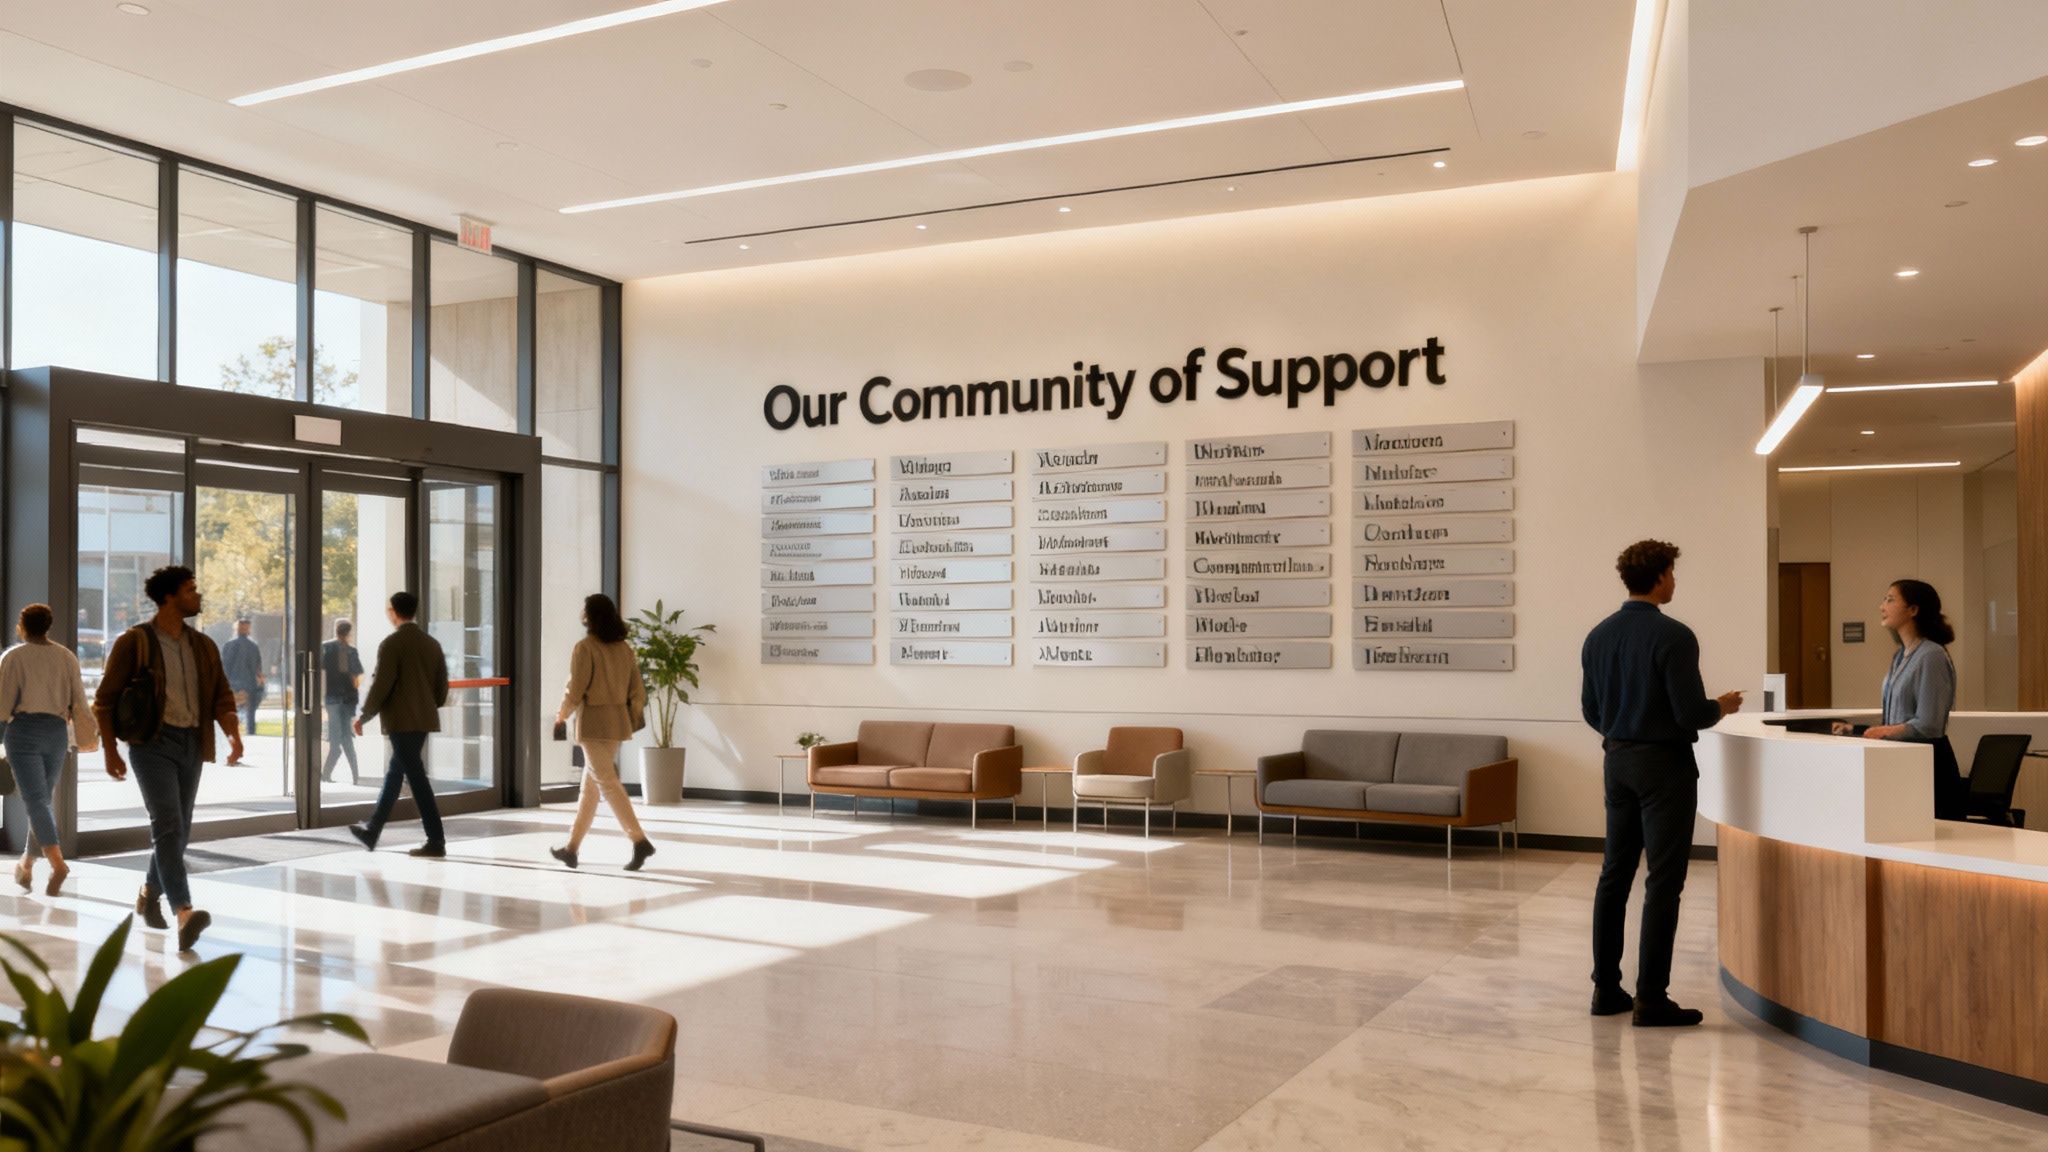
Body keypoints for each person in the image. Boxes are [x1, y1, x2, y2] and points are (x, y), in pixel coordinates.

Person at [1580, 540, 1743, 1028]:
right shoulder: (1674, 635)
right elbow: (1691, 712)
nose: (1675, 581)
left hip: (1617, 761)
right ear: (1660, 576)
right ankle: (1652, 997)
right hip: (1664, 768)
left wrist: (1622, 728)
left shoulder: (1598, 635)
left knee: (1614, 875)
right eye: (1672, 573)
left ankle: (1606, 989)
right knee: (1663, 882)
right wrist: (1722, 706)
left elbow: (1591, 710)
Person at [92, 565, 243, 952]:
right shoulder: (135, 642)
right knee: (168, 824)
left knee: (178, 832)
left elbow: (222, 696)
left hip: (192, 742)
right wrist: (110, 749)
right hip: (151, 744)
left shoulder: (203, 645)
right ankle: (184, 912)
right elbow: (104, 701)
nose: (198, 596)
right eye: (191, 590)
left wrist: (233, 735)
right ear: (170, 597)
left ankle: (148, 892)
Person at [1833, 580, 1960, 819]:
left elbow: (1929, 725)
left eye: (1890, 599)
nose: (1882, 606)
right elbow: (1896, 719)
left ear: (1913, 610)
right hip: (1902, 764)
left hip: (1927, 769)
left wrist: (1880, 733)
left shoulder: (1931, 656)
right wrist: (1857, 729)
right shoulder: (1900, 656)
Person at [548, 594, 657, 872]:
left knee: (606, 783)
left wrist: (561, 715)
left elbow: (575, 688)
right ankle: (571, 849)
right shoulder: (624, 650)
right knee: (591, 789)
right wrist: (630, 718)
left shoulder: (585, 648)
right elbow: (637, 692)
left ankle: (639, 840)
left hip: (593, 724)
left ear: (591, 616)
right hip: (617, 723)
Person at [1, 604, 100, 895]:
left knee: (35, 800)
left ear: (22, 626)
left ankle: (58, 864)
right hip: (57, 733)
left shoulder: (13, 657)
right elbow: (80, 701)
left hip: (24, 732)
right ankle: (27, 864)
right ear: (48, 626)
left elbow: (3, 705)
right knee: (42, 800)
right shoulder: (66, 656)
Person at [350, 592, 450, 857]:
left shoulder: (392, 644)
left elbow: (382, 685)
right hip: (423, 719)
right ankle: (372, 831)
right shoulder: (432, 644)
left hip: (401, 720)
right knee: (396, 775)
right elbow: (442, 688)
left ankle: (436, 840)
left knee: (416, 778)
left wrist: (364, 715)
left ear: (394, 611)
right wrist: (428, 706)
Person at [321, 619, 366, 785]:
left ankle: (326, 774)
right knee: (346, 737)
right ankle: (355, 776)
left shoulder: (326, 647)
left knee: (336, 739)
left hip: (332, 698)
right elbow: (356, 675)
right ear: (349, 633)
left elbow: (321, 672)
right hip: (348, 698)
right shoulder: (351, 651)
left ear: (336, 630)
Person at [221, 617, 264, 739]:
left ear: (236, 628)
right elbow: (258, 667)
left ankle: (231, 733)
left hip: (233, 683)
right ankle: (251, 734)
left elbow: (225, 665)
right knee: (251, 712)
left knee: (232, 711)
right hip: (249, 683)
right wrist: (260, 681)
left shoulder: (229, 645)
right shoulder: (253, 646)